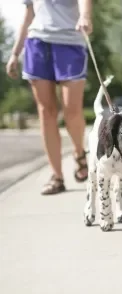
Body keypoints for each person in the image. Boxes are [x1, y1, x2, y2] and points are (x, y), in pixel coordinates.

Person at [6, 0, 93, 195]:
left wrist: (85, 16)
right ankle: (57, 176)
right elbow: (28, 15)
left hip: (70, 43)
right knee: (46, 112)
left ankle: (79, 153)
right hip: (37, 43)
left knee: (72, 110)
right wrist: (14, 53)